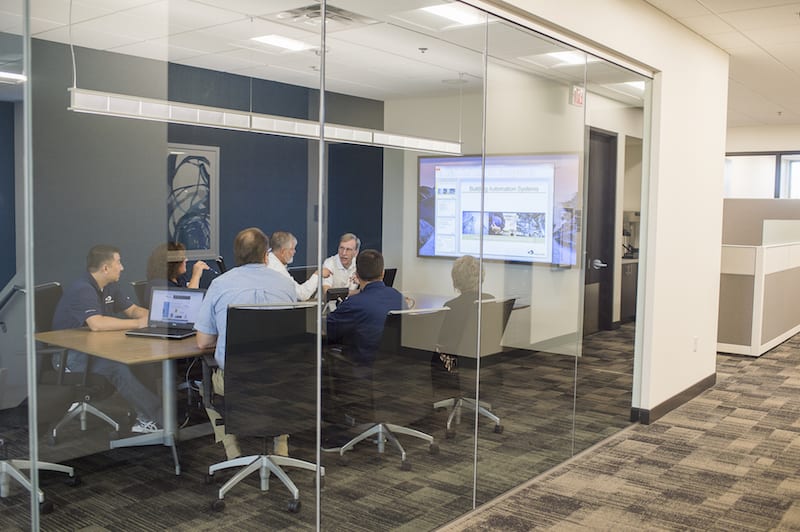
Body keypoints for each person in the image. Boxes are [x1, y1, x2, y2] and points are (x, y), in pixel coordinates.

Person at [194, 227, 297, 460]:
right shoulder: (286, 285)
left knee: (205, 384)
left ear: (236, 256)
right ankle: (281, 445)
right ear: (265, 255)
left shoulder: (220, 285)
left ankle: (232, 451)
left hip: (236, 382)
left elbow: (203, 342)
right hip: (282, 379)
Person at [52, 244, 163, 433]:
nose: (122, 267)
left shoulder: (110, 286)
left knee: (141, 361)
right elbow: (97, 324)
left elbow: (132, 310)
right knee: (117, 367)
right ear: (105, 268)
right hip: (68, 357)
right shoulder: (83, 289)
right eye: (118, 262)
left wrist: (156, 317)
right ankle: (158, 418)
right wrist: (138, 324)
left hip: (94, 350)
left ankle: (147, 416)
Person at [323, 249, 404, 447]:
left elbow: (328, 330)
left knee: (324, 360)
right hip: (397, 368)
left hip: (364, 367)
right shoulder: (398, 297)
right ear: (383, 273)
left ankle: (338, 427)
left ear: (357, 276)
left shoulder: (356, 303)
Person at [432, 255, 492, 394]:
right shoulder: (489, 300)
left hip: (457, 359)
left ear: (456, 279)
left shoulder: (452, 306)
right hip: (483, 355)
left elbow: (443, 339)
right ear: (481, 277)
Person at [267, 231, 327, 301]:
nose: (294, 252)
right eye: (292, 249)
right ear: (283, 252)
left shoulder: (268, 260)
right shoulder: (278, 270)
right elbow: (303, 294)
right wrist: (318, 274)